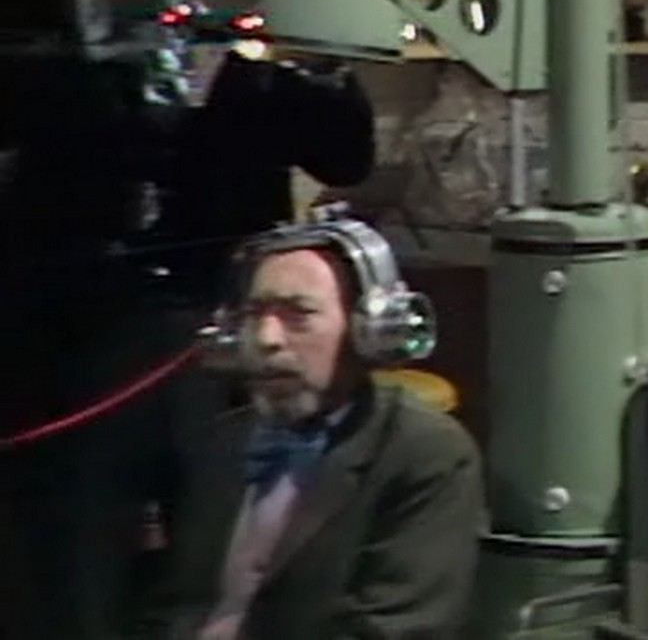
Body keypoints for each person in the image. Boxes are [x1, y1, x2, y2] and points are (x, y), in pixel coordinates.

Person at [0, 0, 375, 639]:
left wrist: (296, 39)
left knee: (224, 593)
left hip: (230, 329)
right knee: (64, 594)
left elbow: (346, 152)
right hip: (63, 336)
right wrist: (103, 13)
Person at [150, 215, 483, 638]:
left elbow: (397, 630)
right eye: (255, 314)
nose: (267, 338)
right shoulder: (223, 442)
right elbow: (177, 605)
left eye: (298, 314)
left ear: (366, 330)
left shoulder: (426, 454)